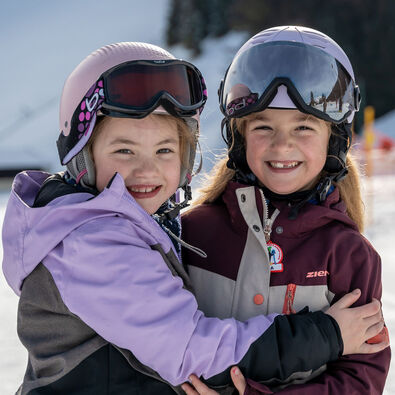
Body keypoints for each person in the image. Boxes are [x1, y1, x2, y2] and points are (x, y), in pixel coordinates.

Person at [1, 41, 386, 395]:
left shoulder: (348, 254)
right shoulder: (103, 242)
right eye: (124, 150)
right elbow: (191, 351)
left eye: (165, 150)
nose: (147, 170)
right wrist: (328, 335)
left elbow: (360, 379)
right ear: (83, 155)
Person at [181, 26, 391, 394]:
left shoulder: (348, 254)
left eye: (303, 127)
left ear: (334, 139)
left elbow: (361, 380)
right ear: (239, 137)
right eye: (264, 126)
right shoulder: (194, 234)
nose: (282, 145)